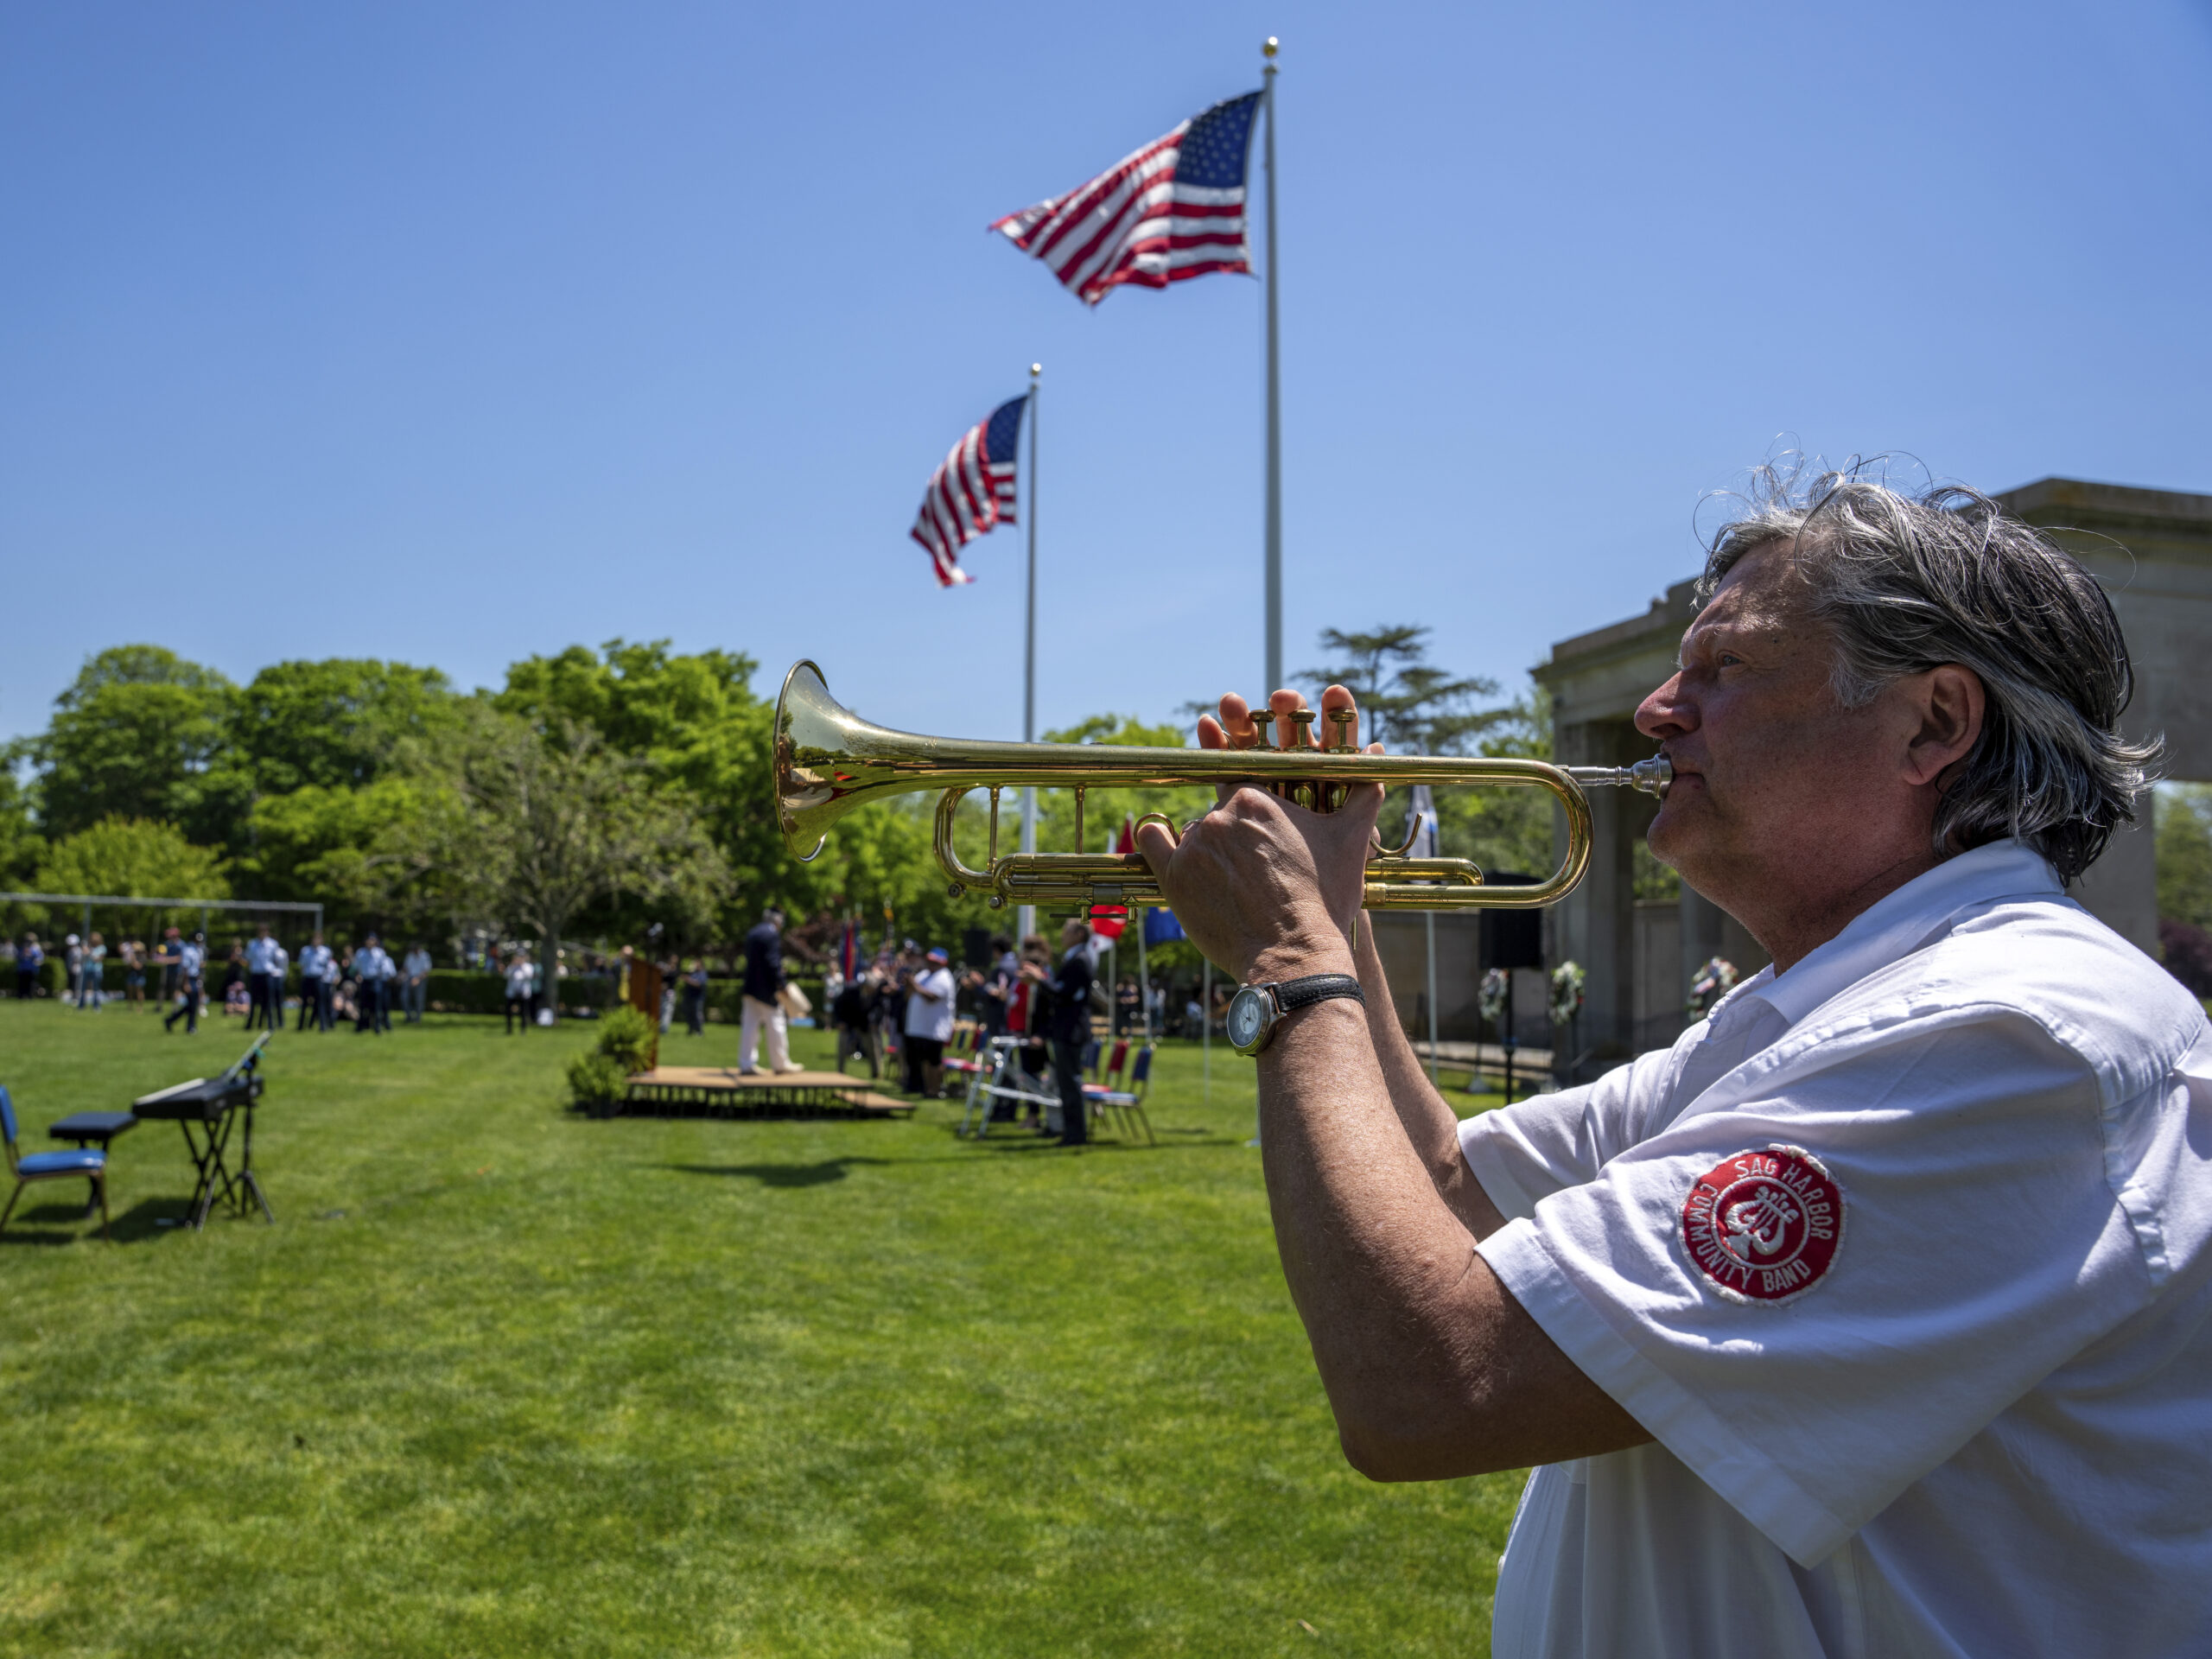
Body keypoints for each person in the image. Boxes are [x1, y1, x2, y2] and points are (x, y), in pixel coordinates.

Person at [1135, 468, 2212, 1657]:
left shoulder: (2006, 1036)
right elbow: (1446, 1189)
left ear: (1933, 725)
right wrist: (1336, 918)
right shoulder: (1818, 1011)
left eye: (1726, 669)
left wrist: (1293, 967)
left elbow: (1427, 1387)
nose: (1657, 710)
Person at [1022, 919, 1095, 1146]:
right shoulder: (1075, 958)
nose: (1062, 935)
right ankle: (1071, 1132)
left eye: (1067, 931)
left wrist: (1040, 979)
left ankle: (1075, 1135)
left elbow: (1063, 993)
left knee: (1070, 1085)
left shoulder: (1080, 960)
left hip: (1071, 1031)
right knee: (1066, 1085)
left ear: (1079, 934)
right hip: (1066, 1031)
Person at [739, 906, 803, 1076]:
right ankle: (780, 1064)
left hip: (750, 987)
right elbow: (772, 963)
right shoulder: (771, 934)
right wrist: (782, 984)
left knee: (749, 1026)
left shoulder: (753, 933)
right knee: (776, 1025)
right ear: (777, 920)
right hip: (767, 990)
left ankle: (746, 1064)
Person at [903, 946, 957, 1098]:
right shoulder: (924, 974)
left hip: (934, 1028)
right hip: (919, 1027)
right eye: (930, 961)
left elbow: (932, 997)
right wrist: (909, 985)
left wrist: (914, 986)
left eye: (934, 962)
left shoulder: (944, 977)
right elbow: (910, 995)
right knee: (924, 1061)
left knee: (934, 1061)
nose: (931, 964)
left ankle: (935, 1089)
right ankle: (927, 1089)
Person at [162, 931, 206, 1034]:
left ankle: (172, 1020)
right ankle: (190, 1026)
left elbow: (198, 967)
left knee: (192, 1005)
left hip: (195, 978)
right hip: (189, 979)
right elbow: (185, 968)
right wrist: (186, 983)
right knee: (192, 1004)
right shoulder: (188, 950)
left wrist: (199, 981)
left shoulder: (198, 950)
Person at [353, 933, 394, 1033]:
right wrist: (358, 975)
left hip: (376, 980)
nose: (370, 942)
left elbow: (384, 967)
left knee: (377, 1005)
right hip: (365, 980)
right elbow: (356, 966)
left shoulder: (380, 953)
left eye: (372, 940)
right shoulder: (360, 952)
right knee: (363, 1004)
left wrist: (380, 976)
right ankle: (361, 1026)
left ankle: (377, 1026)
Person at [245, 924, 280, 1031]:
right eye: (261, 931)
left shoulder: (273, 944)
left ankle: (270, 1024)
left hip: (268, 974)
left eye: (265, 931)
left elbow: (276, 959)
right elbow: (249, 959)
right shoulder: (252, 944)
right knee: (254, 1000)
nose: (263, 933)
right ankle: (250, 1024)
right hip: (256, 974)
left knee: (269, 1000)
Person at [297, 932, 334, 1031]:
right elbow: (301, 965)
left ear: (321, 941)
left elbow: (328, 966)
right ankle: (301, 1025)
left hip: (319, 979)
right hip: (308, 978)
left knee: (320, 1003)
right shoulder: (305, 951)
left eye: (318, 939)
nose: (316, 941)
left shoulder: (326, 951)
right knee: (304, 1003)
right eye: (314, 939)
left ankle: (323, 1026)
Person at [503, 950, 534, 1033]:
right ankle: (509, 1028)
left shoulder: (528, 967)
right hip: (512, 993)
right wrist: (513, 965)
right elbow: (506, 975)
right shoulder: (512, 967)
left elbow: (529, 976)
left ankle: (523, 1029)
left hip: (524, 993)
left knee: (523, 1012)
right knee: (509, 1012)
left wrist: (522, 966)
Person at [402, 942, 432, 1024]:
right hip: (409, 978)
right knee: (404, 997)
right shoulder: (409, 956)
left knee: (419, 999)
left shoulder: (425, 956)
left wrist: (418, 979)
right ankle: (408, 1016)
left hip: (420, 979)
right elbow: (406, 968)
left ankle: (418, 1018)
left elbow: (426, 971)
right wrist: (402, 976)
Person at [680, 958, 709, 1036]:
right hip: (690, 997)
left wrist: (688, 980)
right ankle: (691, 1029)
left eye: (696, 964)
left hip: (698, 998)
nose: (695, 965)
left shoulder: (703, 973)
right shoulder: (693, 973)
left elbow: (699, 984)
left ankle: (699, 1031)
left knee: (697, 1014)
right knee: (690, 1014)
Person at [15, 934, 41, 1001]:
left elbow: (38, 957)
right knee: (22, 983)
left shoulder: (34, 949)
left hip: (30, 969)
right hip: (22, 969)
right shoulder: (21, 949)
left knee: (30, 984)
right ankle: (21, 996)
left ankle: (29, 996)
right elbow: (18, 956)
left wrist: (31, 954)